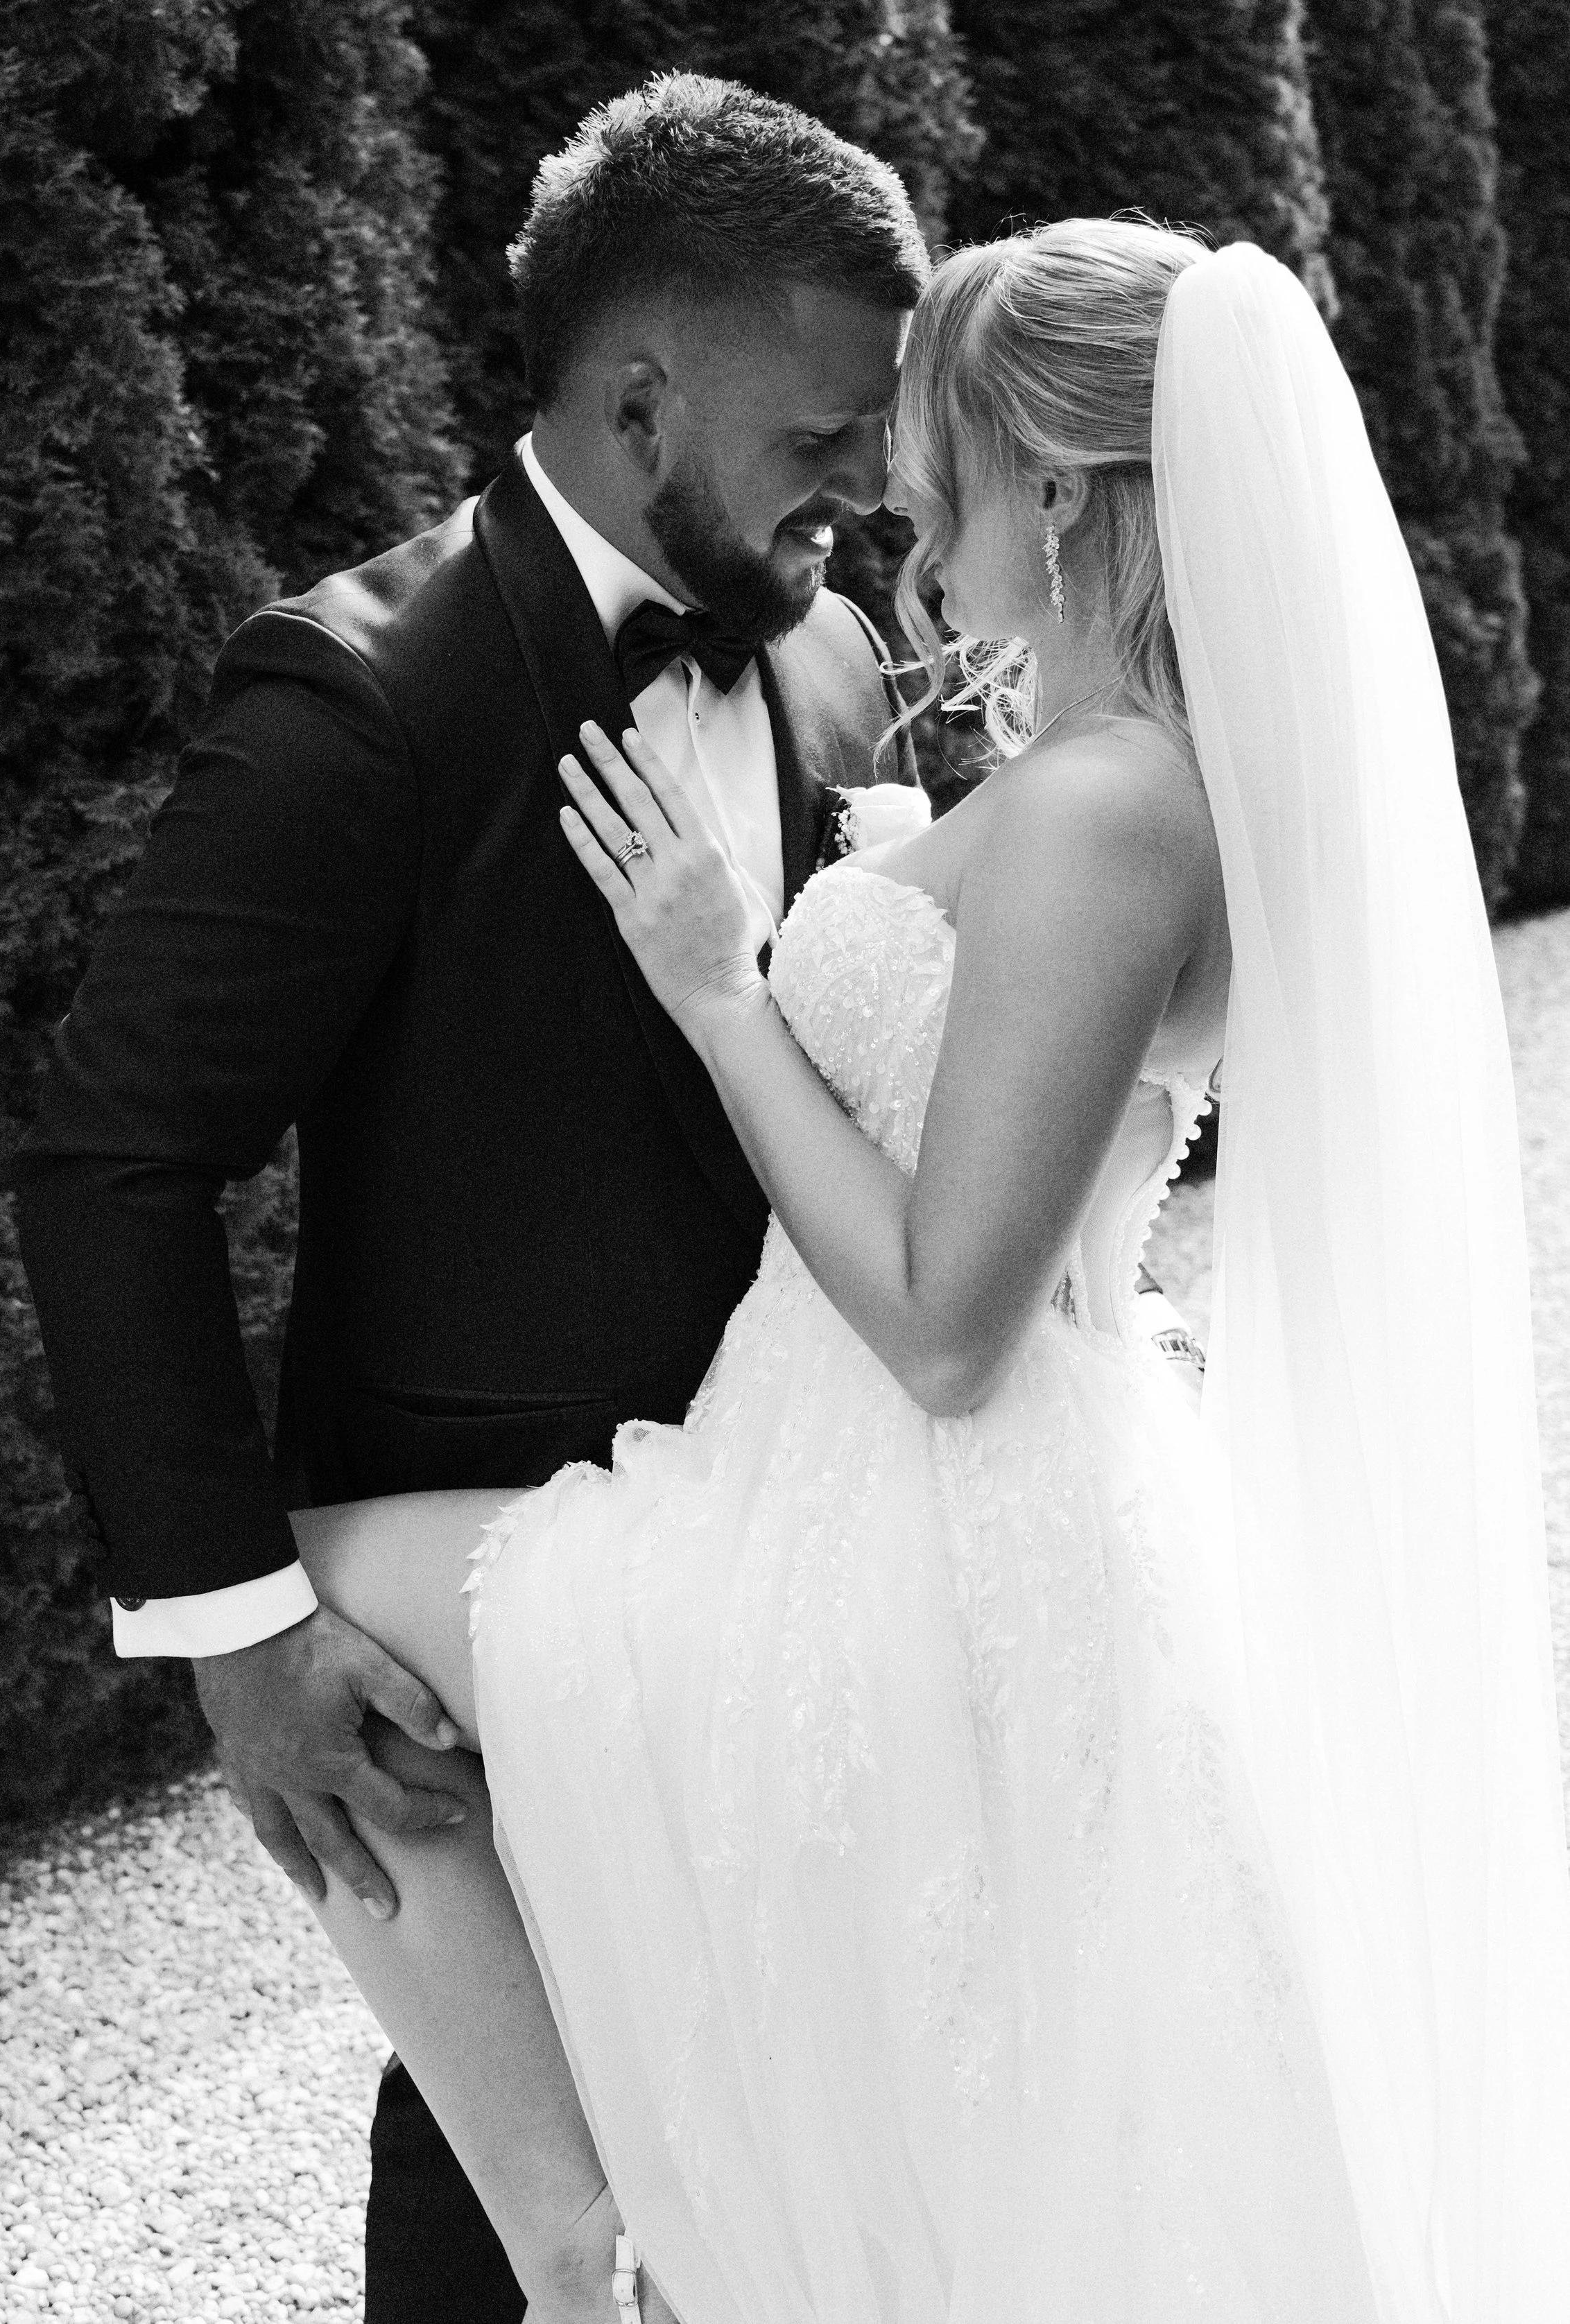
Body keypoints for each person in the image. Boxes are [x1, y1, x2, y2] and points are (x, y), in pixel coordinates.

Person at [279, 222, 1570, 2322]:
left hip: (901, 1507)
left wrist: (720, 987)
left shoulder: (1104, 802)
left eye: (944, 462)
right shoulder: (1111, 778)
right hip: (953, 1489)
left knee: (314, 1580)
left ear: (1058, 488)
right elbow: (1069, 1183)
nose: (902, 513)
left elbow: (948, 1322)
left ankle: (575, 2239)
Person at [12, 71, 929, 2324]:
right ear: (636, 400)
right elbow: (108, 1154)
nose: (872, 488)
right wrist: (238, 1634)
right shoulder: (358, 702)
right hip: (487, 1613)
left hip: (805, 1557)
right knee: (534, 2194)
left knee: (799, 2145)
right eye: (824, 436)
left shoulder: (830, 653)